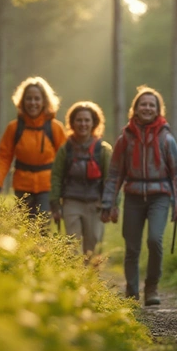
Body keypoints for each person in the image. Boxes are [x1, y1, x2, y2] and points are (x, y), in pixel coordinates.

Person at [101, 86, 177, 306]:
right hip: (132, 196)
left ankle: (152, 287)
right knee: (132, 247)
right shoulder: (125, 139)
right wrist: (109, 204)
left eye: (152, 104)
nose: (147, 108)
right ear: (136, 109)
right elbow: (114, 174)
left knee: (154, 240)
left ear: (158, 109)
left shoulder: (167, 139)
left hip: (159, 196)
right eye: (143, 104)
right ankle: (131, 292)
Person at [0, 77, 67, 219]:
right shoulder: (14, 128)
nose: (33, 103)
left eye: (37, 99)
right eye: (29, 99)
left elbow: (65, 160)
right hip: (22, 186)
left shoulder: (55, 128)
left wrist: (64, 189)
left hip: (47, 187)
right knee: (24, 228)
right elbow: (4, 158)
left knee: (42, 226)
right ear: (22, 102)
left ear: (44, 101)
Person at [49, 101, 113, 258]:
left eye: (87, 120)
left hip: (95, 204)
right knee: (71, 247)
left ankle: (91, 280)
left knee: (93, 248)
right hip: (71, 203)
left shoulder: (103, 150)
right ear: (72, 123)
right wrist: (55, 204)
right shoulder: (66, 149)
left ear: (94, 123)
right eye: (79, 120)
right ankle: (74, 281)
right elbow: (57, 177)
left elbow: (110, 180)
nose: (83, 124)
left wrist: (109, 205)